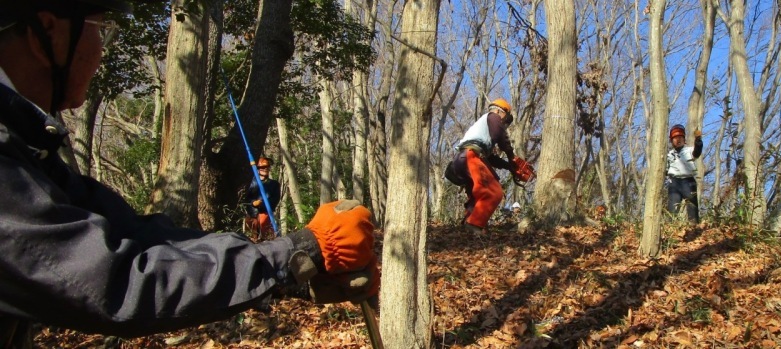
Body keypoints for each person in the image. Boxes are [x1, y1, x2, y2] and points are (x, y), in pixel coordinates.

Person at [0, 0, 378, 346]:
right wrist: (301, 251)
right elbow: (116, 277)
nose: (102, 48)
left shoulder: (25, 147)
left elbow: (141, 239)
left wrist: (295, 271)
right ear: (49, 32)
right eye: (99, 27)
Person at [444, 98, 531, 234]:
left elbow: (491, 159)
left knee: (477, 196)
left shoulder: (481, 133)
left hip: (462, 159)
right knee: (494, 192)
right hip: (471, 156)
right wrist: (511, 155)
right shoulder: (493, 117)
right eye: (505, 120)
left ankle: (467, 227)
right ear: (499, 111)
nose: (504, 124)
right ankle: (474, 225)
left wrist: (509, 166)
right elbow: (499, 133)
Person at [666, 124, 703, 223]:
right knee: (672, 210)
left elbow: (697, 152)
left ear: (684, 139)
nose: (678, 140)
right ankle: (671, 232)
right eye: (675, 138)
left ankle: (695, 230)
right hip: (674, 182)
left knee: (692, 209)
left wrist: (698, 141)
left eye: (680, 137)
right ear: (671, 140)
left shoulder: (689, 150)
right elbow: (664, 170)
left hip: (688, 181)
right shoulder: (668, 154)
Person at [244, 156, 281, 240]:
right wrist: (253, 203)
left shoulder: (274, 184)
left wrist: (262, 204)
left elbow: (274, 200)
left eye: (267, 167)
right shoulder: (250, 183)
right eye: (263, 167)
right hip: (252, 215)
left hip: (265, 214)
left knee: (267, 239)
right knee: (250, 239)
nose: (265, 169)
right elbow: (245, 198)